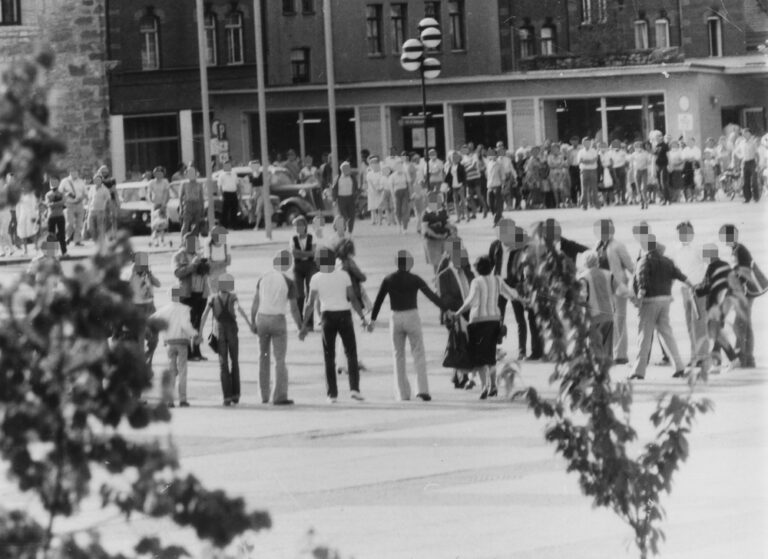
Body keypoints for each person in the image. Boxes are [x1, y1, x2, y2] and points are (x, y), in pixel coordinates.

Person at [369, 250, 447, 401]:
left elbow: (378, 300)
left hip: (395, 316)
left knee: (398, 355)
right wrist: (446, 309)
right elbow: (431, 296)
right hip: (412, 315)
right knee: (418, 352)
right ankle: (422, 390)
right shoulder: (415, 279)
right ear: (410, 264)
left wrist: (372, 320)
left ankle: (402, 393)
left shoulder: (388, 279)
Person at [299, 248, 367, 403]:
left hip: (327, 316)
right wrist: (362, 317)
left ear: (321, 262)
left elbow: (310, 303)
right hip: (344, 314)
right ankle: (354, 389)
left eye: (317, 260)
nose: (315, 262)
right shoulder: (343, 275)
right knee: (351, 353)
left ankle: (332, 394)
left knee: (329, 356)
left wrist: (303, 325)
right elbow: (352, 298)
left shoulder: (316, 278)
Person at [454, 255, 520, 399]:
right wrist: (521, 297)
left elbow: (470, 301)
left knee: (479, 356)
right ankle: (493, 386)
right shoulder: (497, 280)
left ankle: (484, 386)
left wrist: (458, 313)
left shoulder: (476, 282)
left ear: (478, 269)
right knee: (490, 355)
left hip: (478, 321)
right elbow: (510, 294)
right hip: (494, 321)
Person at [629, 234, 693, 380]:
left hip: (650, 301)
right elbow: (680, 275)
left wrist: (639, 298)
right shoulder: (667, 261)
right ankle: (679, 366)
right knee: (667, 334)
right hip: (665, 300)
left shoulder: (644, 260)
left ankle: (638, 371)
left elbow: (642, 280)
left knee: (644, 336)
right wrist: (692, 285)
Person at [251, 250, 303, 405]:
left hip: (262, 318)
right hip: (278, 319)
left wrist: (253, 321)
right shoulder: (289, 282)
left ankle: (263, 394)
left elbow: (255, 302)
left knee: (263, 357)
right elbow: (294, 308)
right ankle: (279, 395)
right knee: (279, 359)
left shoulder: (263, 277)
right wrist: (300, 326)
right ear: (289, 264)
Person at [199, 273, 253, 406]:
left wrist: (200, 333)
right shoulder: (232, 297)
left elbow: (204, 315)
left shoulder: (213, 298)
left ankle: (227, 396)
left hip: (219, 331)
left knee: (223, 363)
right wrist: (250, 324)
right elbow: (239, 309)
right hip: (232, 329)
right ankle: (236, 394)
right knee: (235, 361)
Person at [694, 243, 743, 373]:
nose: (704, 258)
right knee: (717, 332)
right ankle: (718, 363)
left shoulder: (711, 267)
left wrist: (695, 290)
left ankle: (732, 360)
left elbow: (707, 287)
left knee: (714, 332)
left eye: (705, 255)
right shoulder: (725, 265)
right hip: (728, 301)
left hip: (716, 304)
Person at [594, 219, 634, 364]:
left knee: (619, 320)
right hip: (603, 289)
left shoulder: (618, 246)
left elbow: (630, 266)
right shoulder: (597, 246)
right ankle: (607, 352)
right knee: (605, 321)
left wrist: (636, 284)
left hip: (618, 287)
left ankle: (620, 355)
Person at [489, 219, 530, 360]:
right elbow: (490, 265)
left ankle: (522, 351)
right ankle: (495, 349)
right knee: (497, 318)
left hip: (515, 285)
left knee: (520, 319)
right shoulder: (495, 246)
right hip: (499, 285)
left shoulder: (519, 246)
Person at [437, 242, 474, 389]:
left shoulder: (469, 273)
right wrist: (462, 306)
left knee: (465, 344)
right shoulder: (444, 276)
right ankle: (462, 376)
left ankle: (458, 377)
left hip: (469, 313)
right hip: (454, 314)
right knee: (459, 344)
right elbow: (445, 299)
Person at [151, 287, 197, 407]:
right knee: (182, 371)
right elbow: (185, 325)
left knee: (171, 371)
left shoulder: (164, 309)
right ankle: (182, 399)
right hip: (182, 342)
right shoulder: (184, 309)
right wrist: (194, 334)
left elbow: (152, 319)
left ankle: (170, 401)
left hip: (169, 343)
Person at [720, 224, 756, 367]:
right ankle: (748, 358)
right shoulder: (737, 249)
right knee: (745, 324)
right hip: (746, 292)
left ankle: (743, 358)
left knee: (739, 325)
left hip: (744, 293)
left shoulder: (739, 250)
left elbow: (743, 272)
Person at [173, 233, 209, 361]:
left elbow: (207, 273)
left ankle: (197, 352)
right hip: (187, 294)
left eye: (196, 242)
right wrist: (193, 265)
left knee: (198, 323)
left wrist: (205, 265)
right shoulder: (178, 256)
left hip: (201, 293)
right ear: (185, 242)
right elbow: (177, 273)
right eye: (191, 242)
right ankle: (188, 353)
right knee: (187, 323)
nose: (194, 244)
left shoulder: (200, 255)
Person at [578, 251, 615, 362]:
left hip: (594, 316)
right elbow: (620, 290)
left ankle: (598, 368)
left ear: (584, 263)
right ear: (597, 261)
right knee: (607, 348)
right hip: (609, 314)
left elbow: (582, 297)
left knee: (595, 346)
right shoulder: (608, 274)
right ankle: (607, 368)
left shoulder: (583, 277)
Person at [126, 251, 161, 366]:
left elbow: (158, 284)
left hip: (150, 307)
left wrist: (150, 275)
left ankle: (147, 358)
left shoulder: (147, 274)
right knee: (140, 339)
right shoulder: (131, 274)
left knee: (154, 339)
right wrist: (133, 271)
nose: (144, 265)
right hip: (138, 308)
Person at [290, 216, 317, 323]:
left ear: (305, 226)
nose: (298, 228)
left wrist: (300, 253)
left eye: (300, 225)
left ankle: (309, 322)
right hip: (298, 267)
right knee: (299, 294)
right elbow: (294, 254)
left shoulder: (311, 237)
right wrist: (307, 253)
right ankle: (300, 321)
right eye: (296, 226)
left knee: (310, 293)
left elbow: (313, 253)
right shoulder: (293, 239)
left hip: (310, 265)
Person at [421, 192, 450, 275]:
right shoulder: (426, 213)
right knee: (436, 263)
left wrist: (448, 231)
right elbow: (425, 229)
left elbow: (447, 223)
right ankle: (438, 279)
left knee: (445, 262)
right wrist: (437, 235)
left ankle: (444, 279)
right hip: (432, 241)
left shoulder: (443, 211)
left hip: (444, 239)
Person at [60, 168, 87, 246]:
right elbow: (60, 192)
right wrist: (66, 195)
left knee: (79, 224)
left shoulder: (81, 181)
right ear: (70, 172)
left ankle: (77, 240)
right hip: (69, 205)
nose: (75, 173)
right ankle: (67, 238)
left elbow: (85, 193)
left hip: (79, 204)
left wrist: (82, 198)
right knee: (70, 223)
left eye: (76, 171)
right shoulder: (65, 181)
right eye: (73, 171)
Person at [332, 161, 358, 234]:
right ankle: (340, 228)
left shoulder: (352, 178)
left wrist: (356, 197)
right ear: (341, 170)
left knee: (352, 216)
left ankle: (350, 231)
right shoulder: (338, 178)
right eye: (345, 168)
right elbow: (334, 189)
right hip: (341, 199)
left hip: (351, 198)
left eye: (348, 168)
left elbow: (356, 188)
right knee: (343, 216)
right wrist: (334, 200)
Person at [735, 128, 760, 203]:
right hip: (745, 163)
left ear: (749, 134)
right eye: (744, 133)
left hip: (752, 162)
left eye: (746, 133)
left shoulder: (753, 142)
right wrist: (741, 157)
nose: (745, 135)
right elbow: (736, 151)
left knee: (754, 181)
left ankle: (756, 197)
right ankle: (747, 198)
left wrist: (757, 164)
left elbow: (757, 154)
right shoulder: (741, 142)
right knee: (745, 181)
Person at [180, 167, 205, 238]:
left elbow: (201, 197)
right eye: (189, 173)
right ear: (187, 174)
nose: (191, 175)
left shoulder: (199, 184)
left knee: (197, 225)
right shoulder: (184, 184)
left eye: (193, 173)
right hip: (187, 205)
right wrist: (181, 208)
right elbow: (181, 197)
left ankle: (195, 241)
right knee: (185, 224)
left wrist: (202, 208)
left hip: (197, 204)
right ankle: (183, 241)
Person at [85, 174, 110, 245]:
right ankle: (96, 240)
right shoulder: (92, 188)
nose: (97, 181)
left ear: (101, 181)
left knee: (100, 227)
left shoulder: (105, 189)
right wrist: (87, 211)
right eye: (96, 180)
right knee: (90, 227)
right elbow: (89, 200)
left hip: (101, 210)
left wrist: (106, 209)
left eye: (99, 180)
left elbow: (108, 200)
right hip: (91, 210)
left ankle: (101, 242)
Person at [577, 137, 600, 210]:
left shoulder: (594, 151)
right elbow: (580, 161)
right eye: (586, 142)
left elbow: (594, 160)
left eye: (589, 142)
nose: (587, 144)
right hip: (584, 171)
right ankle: (584, 205)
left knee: (594, 188)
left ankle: (596, 204)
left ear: (590, 143)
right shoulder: (580, 152)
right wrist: (589, 161)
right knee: (584, 189)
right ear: (583, 143)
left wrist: (586, 161)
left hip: (593, 171)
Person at [389, 159, 412, 233]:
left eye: (400, 166)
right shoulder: (392, 176)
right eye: (397, 166)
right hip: (396, 193)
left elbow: (409, 185)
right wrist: (393, 196)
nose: (399, 167)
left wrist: (410, 194)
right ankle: (399, 225)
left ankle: (405, 228)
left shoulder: (405, 174)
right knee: (397, 210)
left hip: (404, 192)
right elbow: (391, 187)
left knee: (405, 210)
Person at [15, 189, 39, 256]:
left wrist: (35, 216)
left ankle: (36, 247)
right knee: (23, 234)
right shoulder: (19, 197)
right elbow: (17, 208)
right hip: (22, 217)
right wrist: (18, 218)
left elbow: (35, 206)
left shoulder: (31, 195)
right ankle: (25, 251)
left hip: (30, 216)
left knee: (32, 233)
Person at [207, 226, 231, 292]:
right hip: (212, 277)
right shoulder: (208, 246)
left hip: (223, 276)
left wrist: (215, 264)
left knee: (224, 295)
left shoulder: (226, 245)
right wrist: (222, 263)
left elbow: (229, 262)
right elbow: (208, 262)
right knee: (214, 295)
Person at [445, 150, 467, 221]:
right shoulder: (448, 166)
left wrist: (463, 185)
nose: (454, 158)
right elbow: (447, 177)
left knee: (462, 201)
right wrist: (447, 185)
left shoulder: (461, 166)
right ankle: (458, 217)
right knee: (455, 201)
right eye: (452, 157)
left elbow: (464, 176)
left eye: (456, 157)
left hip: (460, 185)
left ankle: (465, 215)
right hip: (453, 186)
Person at [217, 160, 239, 229]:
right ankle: (224, 226)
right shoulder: (221, 175)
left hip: (234, 193)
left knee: (234, 210)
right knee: (225, 210)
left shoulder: (234, 173)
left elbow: (237, 184)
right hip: (226, 193)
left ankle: (234, 225)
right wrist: (221, 195)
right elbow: (219, 186)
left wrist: (239, 194)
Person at [629, 141, 652, 209]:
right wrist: (632, 169)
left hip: (644, 171)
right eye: (636, 146)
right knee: (638, 188)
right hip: (637, 171)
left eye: (639, 146)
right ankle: (641, 202)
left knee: (644, 187)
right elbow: (631, 164)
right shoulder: (633, 154)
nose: (638, 147)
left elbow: (649, 161)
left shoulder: (645, 153)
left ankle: (646, 201)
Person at [248, 160, 265, 229]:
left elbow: (265, 185)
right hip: (255, 193)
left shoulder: (262, 174)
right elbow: (251, 187)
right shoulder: (251, 175)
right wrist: (250, 195)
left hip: (261, 192)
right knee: (252, 208)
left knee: (258, 209)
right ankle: (253, 222)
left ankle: (257, 225)